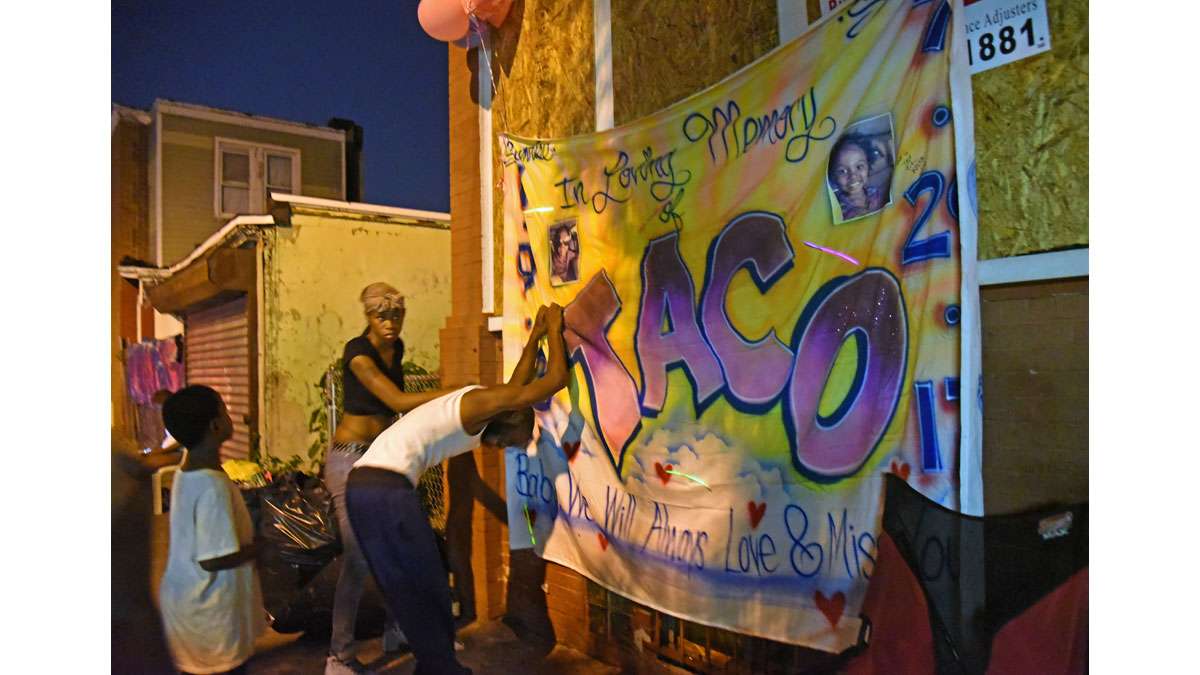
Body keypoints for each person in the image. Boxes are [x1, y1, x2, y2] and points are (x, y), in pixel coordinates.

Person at [346, 303, 569, 675]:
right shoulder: (478, 403)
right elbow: (554, 380)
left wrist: (536, 336)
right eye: (515, 439)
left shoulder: (486, 412)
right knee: (430, 587)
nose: (507, 448)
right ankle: (441, 668)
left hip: (366, 487)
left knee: (413, 589)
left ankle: (436, 666)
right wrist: (558, 329)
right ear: (512, 416)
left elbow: (517, 385)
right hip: (384, 488)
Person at [325, 282, 460, 675]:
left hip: (384, 460)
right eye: (381, 315)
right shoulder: (358, 354)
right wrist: (459, 392)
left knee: (398, 550)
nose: (390, 323)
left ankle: (398, 630)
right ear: (367, 317)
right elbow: (397, 401)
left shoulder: (396, 349)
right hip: (349, 461)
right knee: (359, 558)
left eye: (396, 314)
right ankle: (339, 657)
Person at [158, 385, 265, 675]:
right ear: (216, 426)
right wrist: (259, 547)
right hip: (210, 614)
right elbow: (213, 558)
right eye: (225, 410)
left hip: (187, 606)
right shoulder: (212, 486)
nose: (230, 416)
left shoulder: (185, 471)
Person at [829, 135, 885, 221]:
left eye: (859, 167)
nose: (853, 176)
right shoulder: (836, 210)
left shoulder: (877, 193)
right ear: (833, 175)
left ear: (868, 166)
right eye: (842, 171)